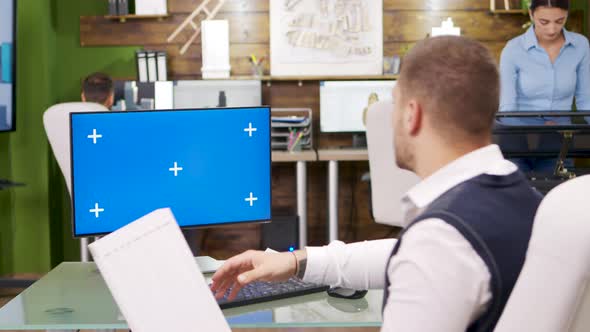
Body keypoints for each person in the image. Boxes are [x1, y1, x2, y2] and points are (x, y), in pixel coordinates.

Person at [211, 36, 543, 332]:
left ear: (412, 114)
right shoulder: (524, 201)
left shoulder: (441, 240)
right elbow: (401, 254)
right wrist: (297, 261)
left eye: (394, 103)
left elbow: (427, 253)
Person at [499, 0, 590, 172]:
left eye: (559, 21)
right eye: (544, 22)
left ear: (567, 15)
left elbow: (586, 99)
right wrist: (537, 131)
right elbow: (507, 108)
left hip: (561, 139)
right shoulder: (513, 49)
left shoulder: (581, 46)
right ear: (531, 14)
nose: (552, 29)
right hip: (519, 140)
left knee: (558, 193)